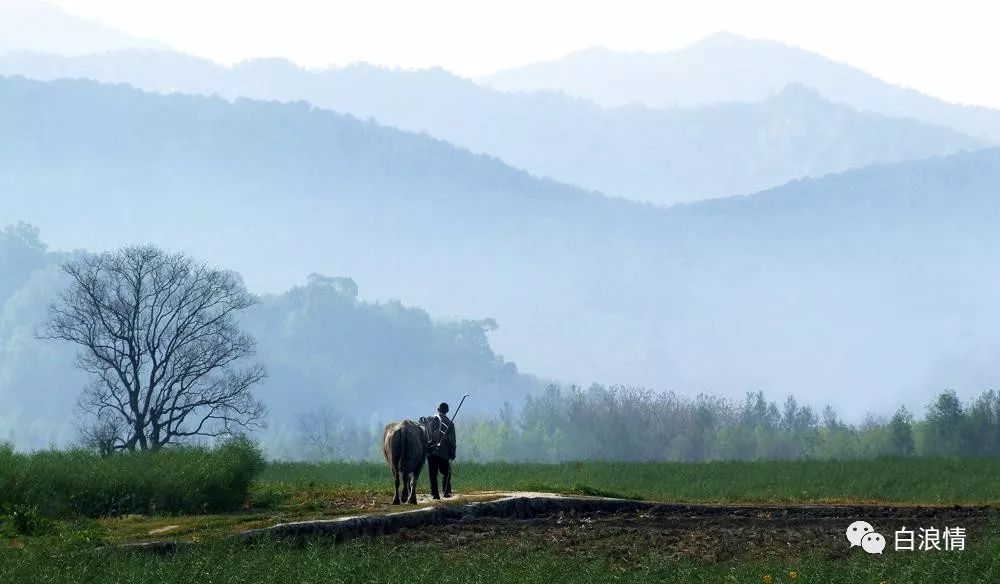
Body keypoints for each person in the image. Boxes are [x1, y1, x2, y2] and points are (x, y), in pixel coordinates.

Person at [425, 401, 456, 499]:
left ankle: (435, 494)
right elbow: (452, 441)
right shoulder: (449, 423)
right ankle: (446, 492)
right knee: (447, 473)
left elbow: (425, 435)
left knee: (432, 474)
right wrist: (452, 453)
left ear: (438, 410)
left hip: (430, 452)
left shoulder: (429, 420)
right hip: (443, 453)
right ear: (447, 411)